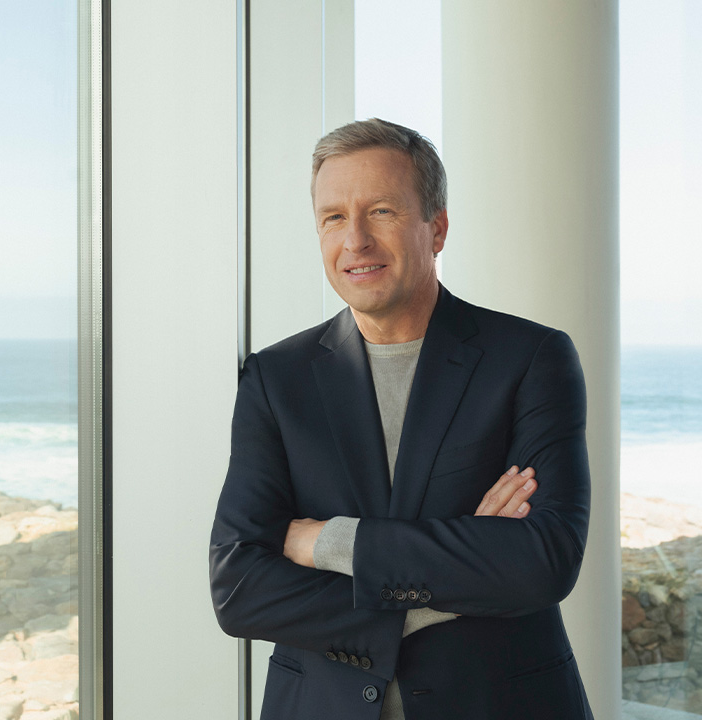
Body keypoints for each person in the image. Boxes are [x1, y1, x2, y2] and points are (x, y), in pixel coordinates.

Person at [209, 118, 593, 719]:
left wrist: (327, 542)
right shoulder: (275, 378)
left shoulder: (530, 358)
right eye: (333, 217)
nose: (354, 240)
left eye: (381, 211)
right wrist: (471, 566)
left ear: (435, 228)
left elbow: (544, 561)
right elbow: (238, 590)